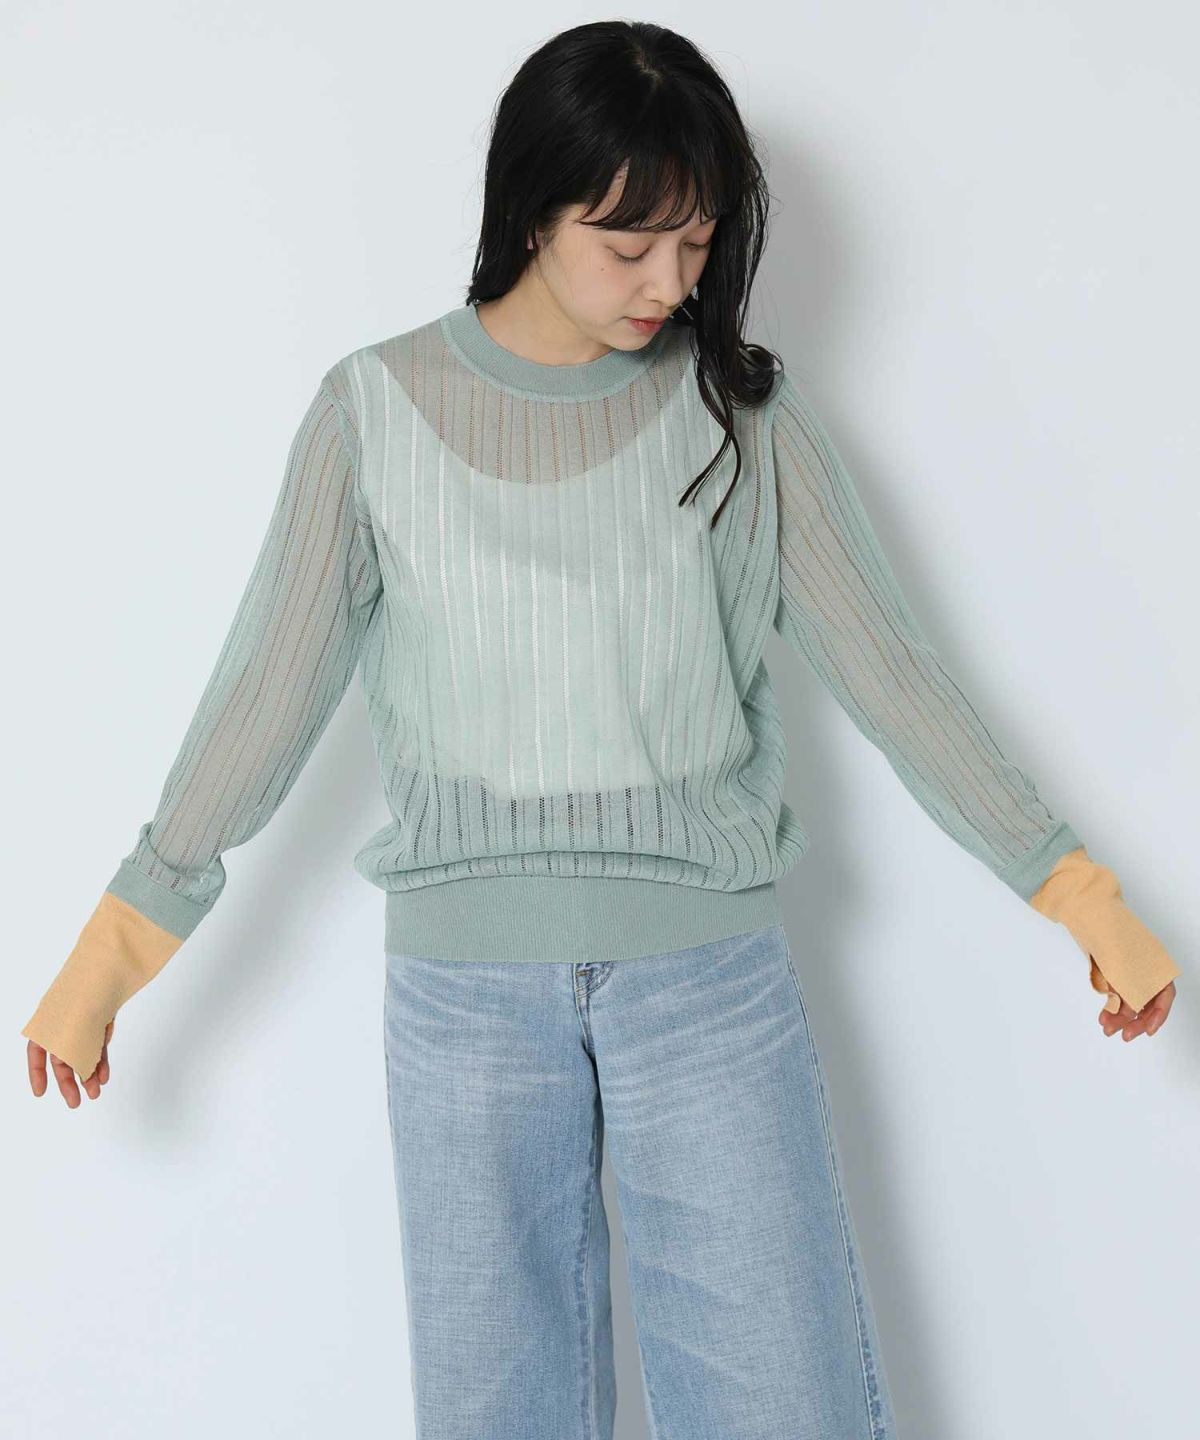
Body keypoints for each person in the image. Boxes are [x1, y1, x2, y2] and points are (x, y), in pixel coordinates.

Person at [21, 19, 1181, 1439]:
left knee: (786, 1406)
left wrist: (1076, 893)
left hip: (708, 987)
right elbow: (260, 701)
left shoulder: (738, 415)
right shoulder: (372, 413)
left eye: (696, 244)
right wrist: (115, 952)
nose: (670, 284)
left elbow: (899, 677)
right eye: (630, 244)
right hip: (462, 1006)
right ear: (531, 210)